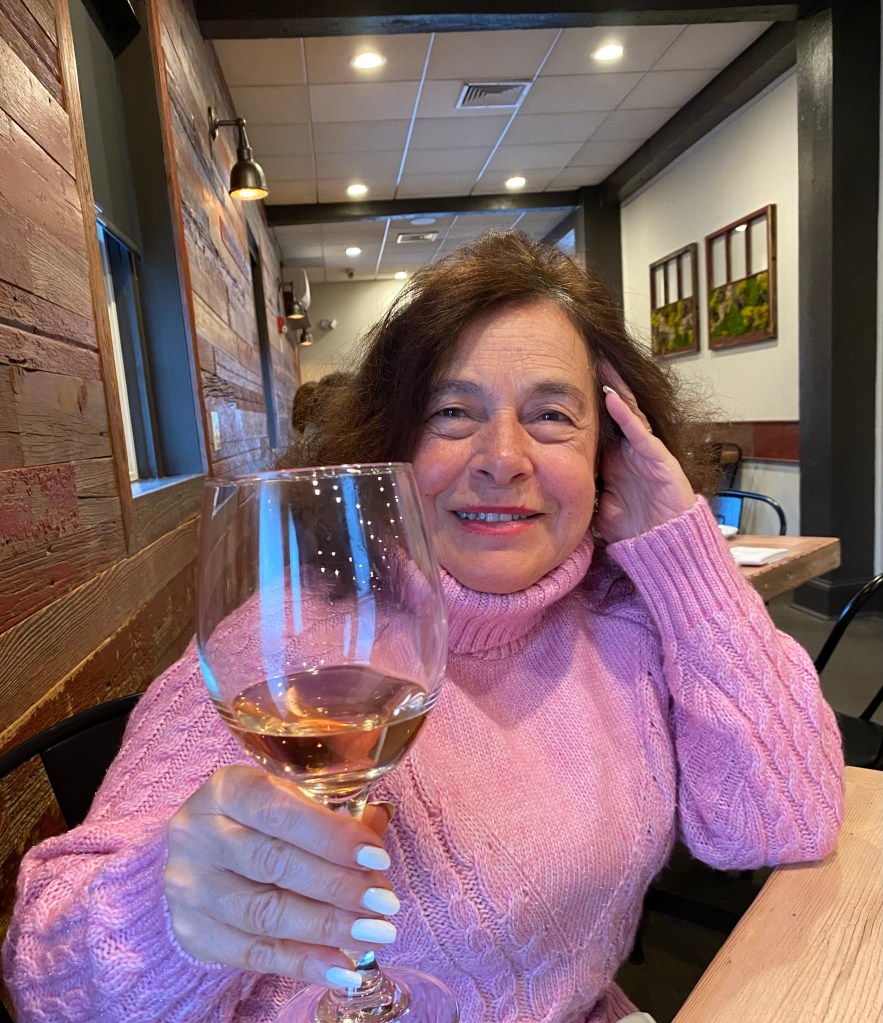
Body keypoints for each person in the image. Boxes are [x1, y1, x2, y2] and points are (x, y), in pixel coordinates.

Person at [2, 232, 844, 1023]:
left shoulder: (627, 618)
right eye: (451, 411)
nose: (502, 457)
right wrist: (165, 913)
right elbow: (51, 987)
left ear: (610, 451)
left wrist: (682, 550)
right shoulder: (288, 651)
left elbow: (782, 819)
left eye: (552, 415)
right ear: (394, 442)